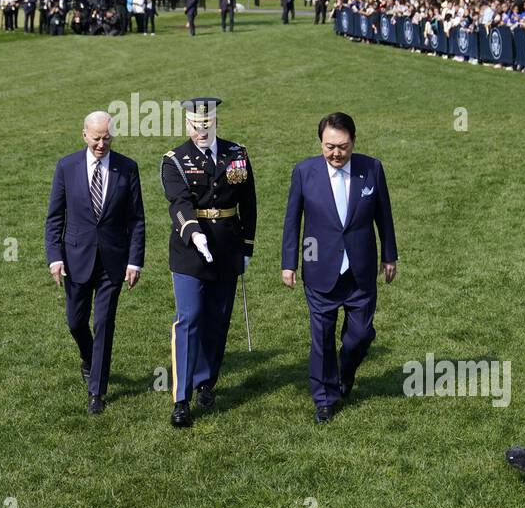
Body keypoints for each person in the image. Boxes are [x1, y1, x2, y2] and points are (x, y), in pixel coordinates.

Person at [281, 112, 398, 422]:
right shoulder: (304, 172)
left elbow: (383, 215)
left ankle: (346, 372)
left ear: (353, 143)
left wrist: (390, 255)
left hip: (360, 271)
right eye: (329, 146)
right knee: (321, 337)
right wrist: (288, 264)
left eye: (342, 147)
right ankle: (324, 399)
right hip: (318, 268)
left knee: (360, 335)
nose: (335, 153)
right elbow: (292, 221)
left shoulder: (371, 169)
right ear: (321, 143)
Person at [160, 97, 257, 428]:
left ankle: (206, 381)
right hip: (189, 252)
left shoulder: (236, 155)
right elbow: (179, 201)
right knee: (189, 318)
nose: (200, 131)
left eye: (207, 124)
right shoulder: (175, 160)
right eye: (194, 125)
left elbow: (248, 203)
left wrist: (246, 247)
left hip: (227, 248)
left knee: (217, 320)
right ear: (186, 124)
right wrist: (194, 233)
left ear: (215, 122)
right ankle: (181, 399)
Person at [44, 111, 146, 415]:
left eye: (107, 137)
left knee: (103, 323)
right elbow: (54, 218)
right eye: (96, 137)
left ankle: (96, 391)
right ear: (84, 135)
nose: (101, 143)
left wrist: (135, 261)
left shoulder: (127, 168)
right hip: (75, 259)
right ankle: (89, 358)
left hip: (113, 262)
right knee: (75, 322)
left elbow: (137, 220)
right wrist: (55, 258)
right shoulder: (67, 167)